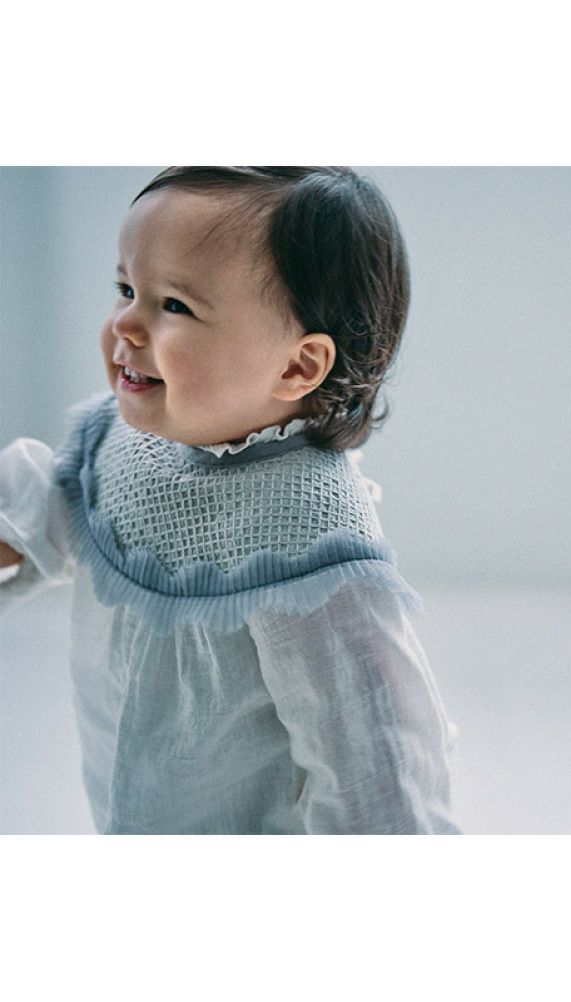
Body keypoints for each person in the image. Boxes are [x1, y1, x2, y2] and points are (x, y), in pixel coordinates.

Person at [0, 166, 461, 835]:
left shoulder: (308, 541)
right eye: (127, 289)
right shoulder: (130, 440)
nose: (125, 323)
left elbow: (372, 755)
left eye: (174, 306)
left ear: (297, 367)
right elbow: (66, 503)